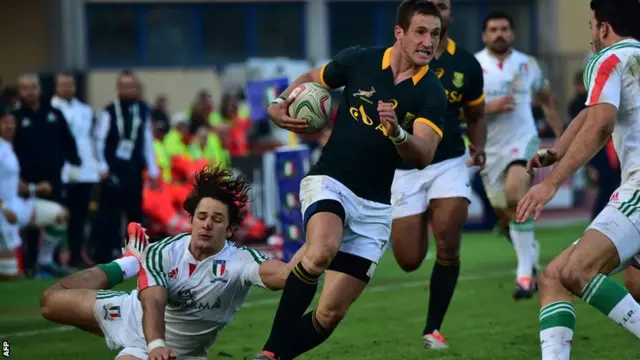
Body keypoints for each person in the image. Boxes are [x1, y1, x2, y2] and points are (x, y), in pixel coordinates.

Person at [255, 1, 446, 359]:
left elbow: (424, 154)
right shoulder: (359, 60)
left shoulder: (431, 92)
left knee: (329, 315)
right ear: (399, 32)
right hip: (331, 181)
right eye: (420, 31)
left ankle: (274, 352)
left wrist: (398, 133)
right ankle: (268, 353)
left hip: (375, 207)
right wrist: (280, 102)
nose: (428, 41)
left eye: (434, 34)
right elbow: (313, 78)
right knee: (321, 252)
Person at [40, 167, 295, 360]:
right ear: (192, 220)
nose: (207, 224)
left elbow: (286, 274)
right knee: (50, 302)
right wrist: (156, 344)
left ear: (229, 230)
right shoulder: (165, 251)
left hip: (181, 353)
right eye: (201, 217)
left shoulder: (240, 260)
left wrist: (320, 242)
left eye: (217, 219)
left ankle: (132, 265)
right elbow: (153, 302)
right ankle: (128, 263)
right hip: (135, 318)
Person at [515, 0, 640, 358]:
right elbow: (591, 115)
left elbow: (601, 123)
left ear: (603, 28)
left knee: (576, 270)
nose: (590, 37)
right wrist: (557, 150)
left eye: (590, 27)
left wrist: (551, 182)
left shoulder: (608, 58)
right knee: (554, 275)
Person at [389, 0, 486, 349]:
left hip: (449, 161)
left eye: (443, 5)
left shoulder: (466, 64)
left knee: (447, 238)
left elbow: (476, 115)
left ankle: (433, 329)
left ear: (450, 14)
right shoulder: (396, 58)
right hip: (405, 169)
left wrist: (478, 147)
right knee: (408, 259)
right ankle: (421, 218)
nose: (438, 11)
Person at [474, 11, 564, 300]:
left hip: (523, 141)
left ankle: (524, 276)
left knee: (516, 194)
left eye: (504, 29)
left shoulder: (528, 64)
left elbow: (548, 100)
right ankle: (530, 257)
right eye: (493, 29)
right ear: (484, 35)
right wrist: (490, 107)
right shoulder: (474, 66)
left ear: (512, 34)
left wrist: (562, 138)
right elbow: (461, 111)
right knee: (504, 215)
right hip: (489, 148)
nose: (499, 34)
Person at [12, 73, 81, 277]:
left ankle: (50, 261)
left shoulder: (54, 114)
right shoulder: (15, 117)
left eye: (32, 87)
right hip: (27, 182)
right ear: (19, 92)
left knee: (58, 218)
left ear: (40, 89)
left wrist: (74, 161)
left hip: (53, 179)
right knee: (32, 225)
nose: (29, 91)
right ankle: (31, 264)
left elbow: (68, 141)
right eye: (25, 88)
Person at [92, 70, 159, 264]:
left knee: (135, 213)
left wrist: (153, 170)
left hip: (134, 169)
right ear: (117, 88)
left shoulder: (143, 110)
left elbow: (147, 141)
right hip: (113, 170)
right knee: (110, 213)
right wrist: (102, 167)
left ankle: (138, 254)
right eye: (123, 86)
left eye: (131, 85)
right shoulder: (109, 111)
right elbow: (99, 141)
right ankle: (106, 252)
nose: (127, 89)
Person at [0, 109, 71, 279]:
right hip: (3, 211)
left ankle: (44, 262)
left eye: (12, 122)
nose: (9, 126)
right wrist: (3, 208)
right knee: (12, 275)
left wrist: (34, 189)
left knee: (60, 215)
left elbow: (11, 182)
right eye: (5, 122)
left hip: (16, 205)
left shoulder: (8, 146)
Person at [51, 73, 100, 269]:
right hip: (62, 170)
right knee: (59, 215)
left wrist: (95, 165)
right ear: (56, 87)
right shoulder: (52, 109)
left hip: (85, 170)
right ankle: (52, 257)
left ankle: (76, 254)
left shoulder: (85, 110)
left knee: (80, 216)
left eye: (69, 85)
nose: (66, 89)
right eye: (62, 85)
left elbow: (91, 139)